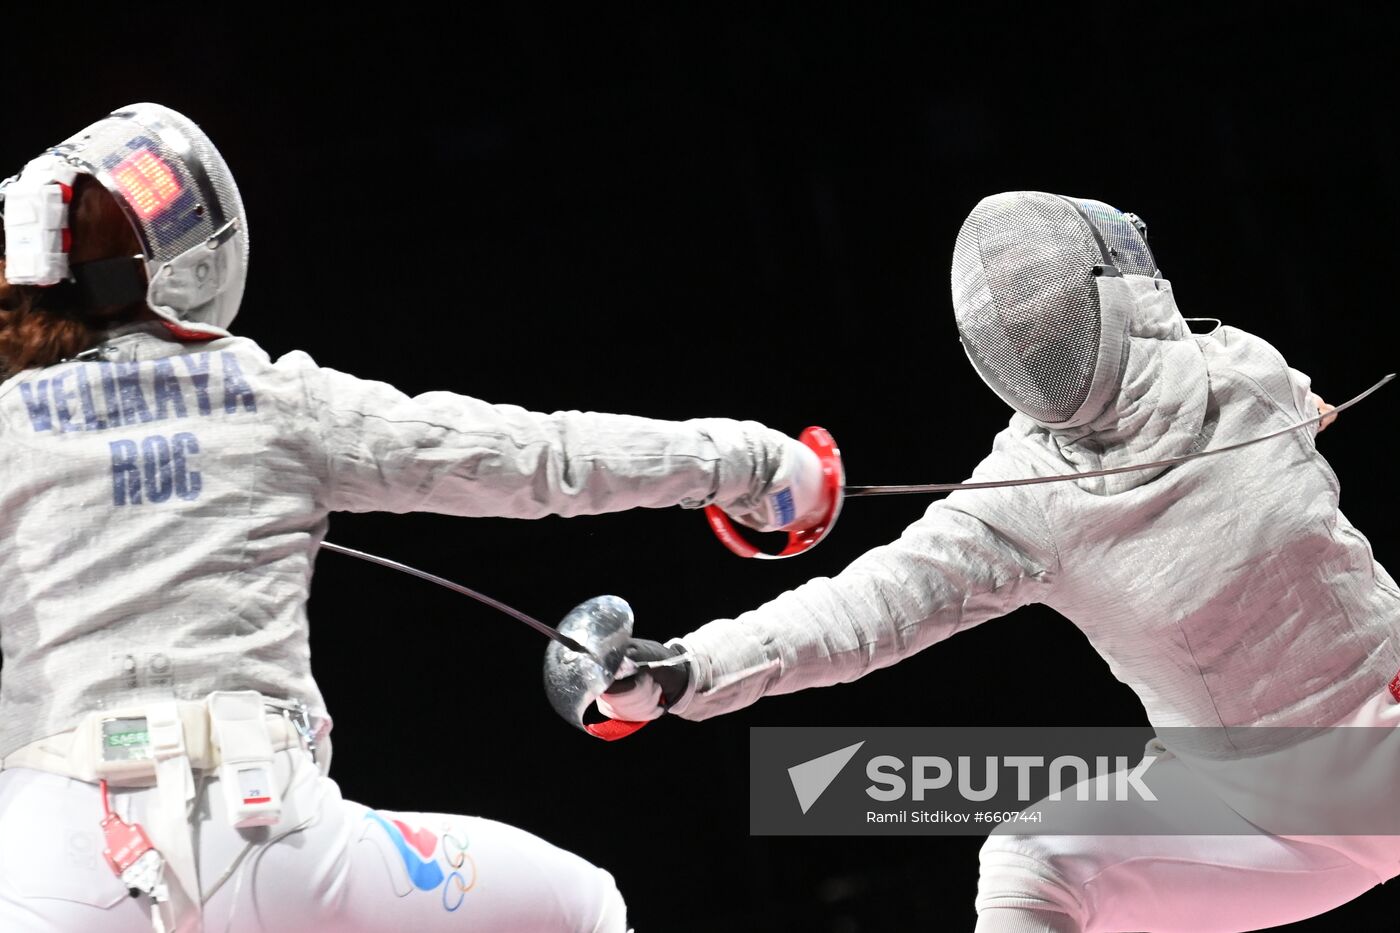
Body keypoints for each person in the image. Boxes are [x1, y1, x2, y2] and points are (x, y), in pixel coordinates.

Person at [0, 103, 830, 933]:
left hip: (45, 866)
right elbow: (542, 457)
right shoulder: (274, 400)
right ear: (186, 261)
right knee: (581, 906)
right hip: (272, 844)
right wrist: (752, 465)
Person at [600, 191, 1400, 932]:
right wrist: (691, 666)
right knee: (1035, 861)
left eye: (1045, 326)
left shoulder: (1243, 374)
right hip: (1250, 813)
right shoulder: (1039, 488)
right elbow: (861, 611)